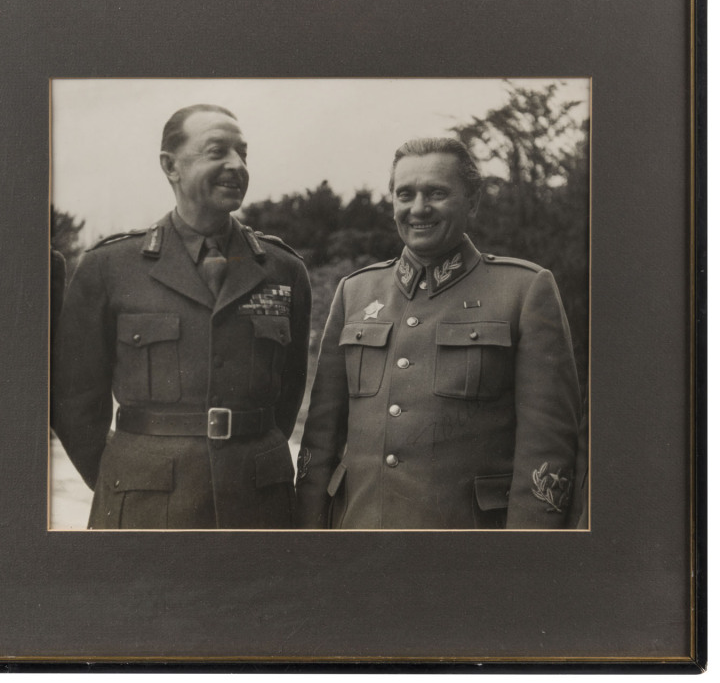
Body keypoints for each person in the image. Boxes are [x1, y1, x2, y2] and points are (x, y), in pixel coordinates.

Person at [296, 137, 581, 530]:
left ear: (473, 200)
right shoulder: (356, 291)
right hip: (358, 538)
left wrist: (524, 556)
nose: (418, 209)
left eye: (436, 193)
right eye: (405, 194)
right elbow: (320, 438)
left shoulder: (524, 290)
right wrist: (309, 535)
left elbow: (548, 446)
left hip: (469, 551)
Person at [52, 104, 311, 529]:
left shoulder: (284, 269)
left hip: (258, 505)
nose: (237, 166)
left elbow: (289, 392)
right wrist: (123, 479)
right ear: (170, 166)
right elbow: (75, 400)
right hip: (143, 507)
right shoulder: (109, 266)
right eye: (217, 151)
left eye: (243, 154)